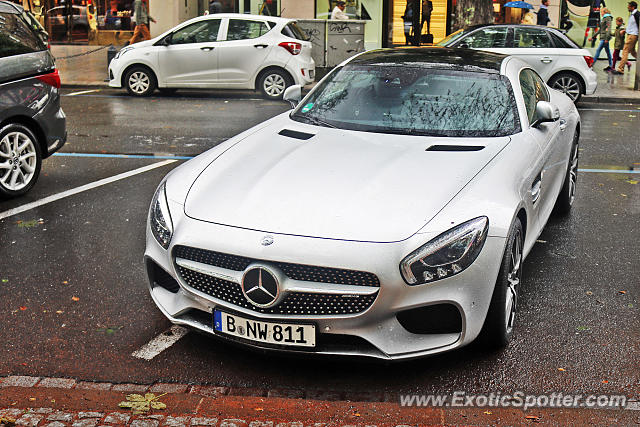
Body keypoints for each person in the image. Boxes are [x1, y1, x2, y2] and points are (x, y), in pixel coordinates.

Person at [613, 1, 639, 75]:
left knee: (625, 51)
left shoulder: (636, 14)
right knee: (633, 52)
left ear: (633, 7)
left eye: (629, 6)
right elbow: (632, 26)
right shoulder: (633, 14)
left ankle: (620, 69)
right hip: (631, 34)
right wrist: (625, 30)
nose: (628, 7)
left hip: (632, 35)